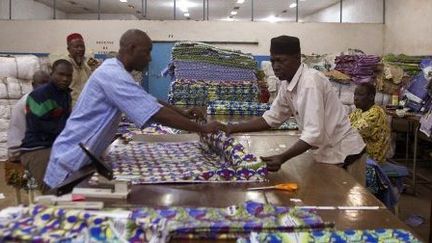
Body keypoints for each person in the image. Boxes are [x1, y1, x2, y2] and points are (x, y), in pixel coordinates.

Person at [44, 29, 222, 189]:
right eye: (147, 52)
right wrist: (202, 128)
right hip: (70, 162)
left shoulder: (117, 71)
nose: (150, 58)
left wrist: (182, 113)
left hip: (81, 157)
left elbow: (149, 101)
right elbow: (155, 112)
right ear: (131, 48)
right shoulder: (112, 74)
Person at [222, 35, 366, 183]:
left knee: (346, 204)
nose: (276, 66)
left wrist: (282, 157)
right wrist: (230, 128)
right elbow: (271, 118)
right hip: (328, 154)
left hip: (346, 155)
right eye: (273, 61)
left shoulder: (310, 82)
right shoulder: (287, 84)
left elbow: (313, 133)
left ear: (297, 58)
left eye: (281, 60)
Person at [20, 60, 73, 190]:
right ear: (52, 74)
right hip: (38, 148)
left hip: (55, 145)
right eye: (61, 74)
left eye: (68, 75)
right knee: (52, 190)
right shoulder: (39, 95)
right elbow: (40, 126)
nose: (65, 79)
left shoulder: (65, 94)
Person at [7, 71, 50, 162]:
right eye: (41, 83)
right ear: (33, 85)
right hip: (20, 151)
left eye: (47, 84)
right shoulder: (29, 102)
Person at [349, 83, 390, 163]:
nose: (356, 98)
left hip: (373, 158)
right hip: (361, 153)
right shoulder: (359, 111)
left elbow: (351, 132)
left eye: (360, 95)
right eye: (355, 95)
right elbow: (344, 123)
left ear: (371, 97)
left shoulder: (375, 114)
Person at [64, 33, 92, 106]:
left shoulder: (88, 64)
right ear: (68, 49)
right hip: (71, 108)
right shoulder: (65, 66)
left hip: (88, 105)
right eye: (76, 47)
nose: (80, 49)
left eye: (82, 46)